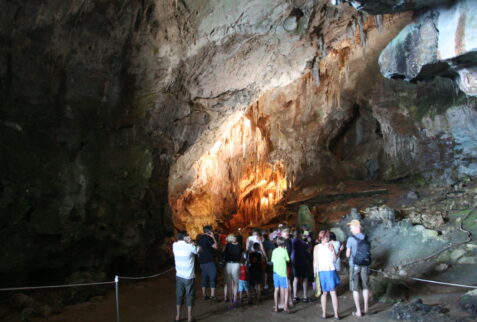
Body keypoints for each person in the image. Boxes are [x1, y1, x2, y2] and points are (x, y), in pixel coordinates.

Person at [313, 230, 340, 320]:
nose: (328, 238)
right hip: (329, 271)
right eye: (326, 237)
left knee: (324, 293)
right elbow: (334, 259)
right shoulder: (327, 246)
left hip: (322, 271)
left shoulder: (317, 247)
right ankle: (335, 314)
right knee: (332, 292)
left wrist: (315, 273)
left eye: (328, 236)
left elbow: (315, 262)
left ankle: (325, 314)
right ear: (322, 237)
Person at [173, 231, 199, 322]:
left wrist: (188, 241)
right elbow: (198, 250)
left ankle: (177, 317)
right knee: (190, 296)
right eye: (187, 235)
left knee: (179, 296)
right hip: (189, 277)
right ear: (185, 237)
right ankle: (189, 318)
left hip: (179, 275)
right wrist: (191, 242)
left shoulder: (174, 245)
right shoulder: (189, 246)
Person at [346, 219, 370, 317]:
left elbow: (347, 255)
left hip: (354, 265)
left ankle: (358, 311)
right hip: (365, 264)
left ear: (356, 227)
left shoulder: (351, 239)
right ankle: (366, 308)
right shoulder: (366, 237)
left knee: (355, 289)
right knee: (365, 286)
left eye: (351, 228)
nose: (351, 230)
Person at [197, 225, 218, 301]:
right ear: (209, 231)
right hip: (209, 260)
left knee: (204, 278)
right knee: (213, 277)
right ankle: (212, 295)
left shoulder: (199, 238)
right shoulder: (209, 238)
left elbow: (198, 250)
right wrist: (213, 237)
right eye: (211, 230)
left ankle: (204, 295)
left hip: (202, 261)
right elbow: (215, 246)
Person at [271, 237, 290, 313]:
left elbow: (272, 260)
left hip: (275, 273)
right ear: (284, 243)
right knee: (286, 290)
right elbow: (288, 260)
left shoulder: (274, 250)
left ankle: (276, 307)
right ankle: (285, 306)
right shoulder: (284, 251)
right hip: (283, 273)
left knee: (276, 290)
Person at [291, 229, 309, 302]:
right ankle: (305, 297)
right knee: (305, 278)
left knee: (296, 278)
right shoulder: (301, 242)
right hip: (302, 262)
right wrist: (308, 241)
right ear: (299, 235)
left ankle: (295, 296)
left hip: (294, 262)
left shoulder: (291, 241)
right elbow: (307, 249)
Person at [223, 234, 241, 305]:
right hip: (236, 264)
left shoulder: (227, 246)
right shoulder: (239, 245)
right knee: (236, 283)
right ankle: (235, 299)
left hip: (229, 264)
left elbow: (224, 254)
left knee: (229, 283)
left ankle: (231, 300)